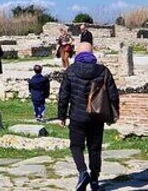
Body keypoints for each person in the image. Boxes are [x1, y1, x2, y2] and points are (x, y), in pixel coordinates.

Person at [57, 42, 119, 191]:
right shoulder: (103, 71)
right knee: (95, 148)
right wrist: (113, 114)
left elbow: (63, 95)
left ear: (77, 54)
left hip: (77, 116)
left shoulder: (70, 71)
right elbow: (113, 94)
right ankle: (95, 180)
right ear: (92, 54)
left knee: (76, 146)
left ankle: (82, 171)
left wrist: (62, 115)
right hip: (97, 117)